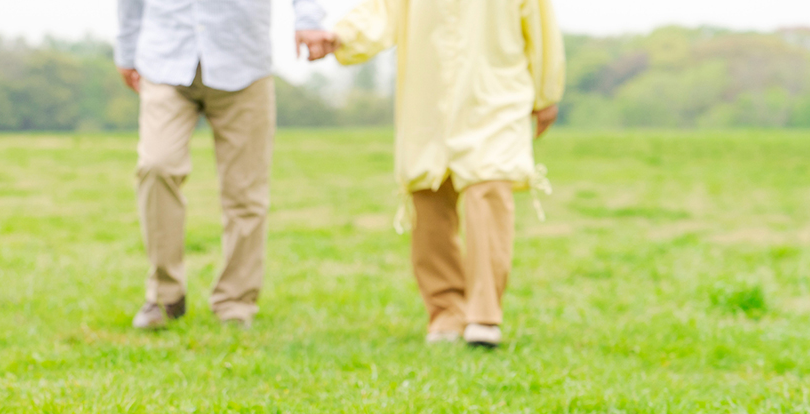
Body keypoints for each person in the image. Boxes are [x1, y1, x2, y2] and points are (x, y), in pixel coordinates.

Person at [327, 0, 566, 348]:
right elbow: (382, 12)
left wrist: (546, 92)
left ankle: (484, 316)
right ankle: (446, 311)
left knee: (489, 185)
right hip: (428, 93)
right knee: (429, 195)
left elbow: (541, 26)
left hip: (494, 91)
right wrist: (341, 36)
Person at [116, 0, 335, 330]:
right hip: (165, 58)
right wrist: (127, 51)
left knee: (245, 191)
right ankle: (165, 295)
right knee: (156, 166)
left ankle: (235, 302)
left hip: (242, 61)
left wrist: (308, 20)